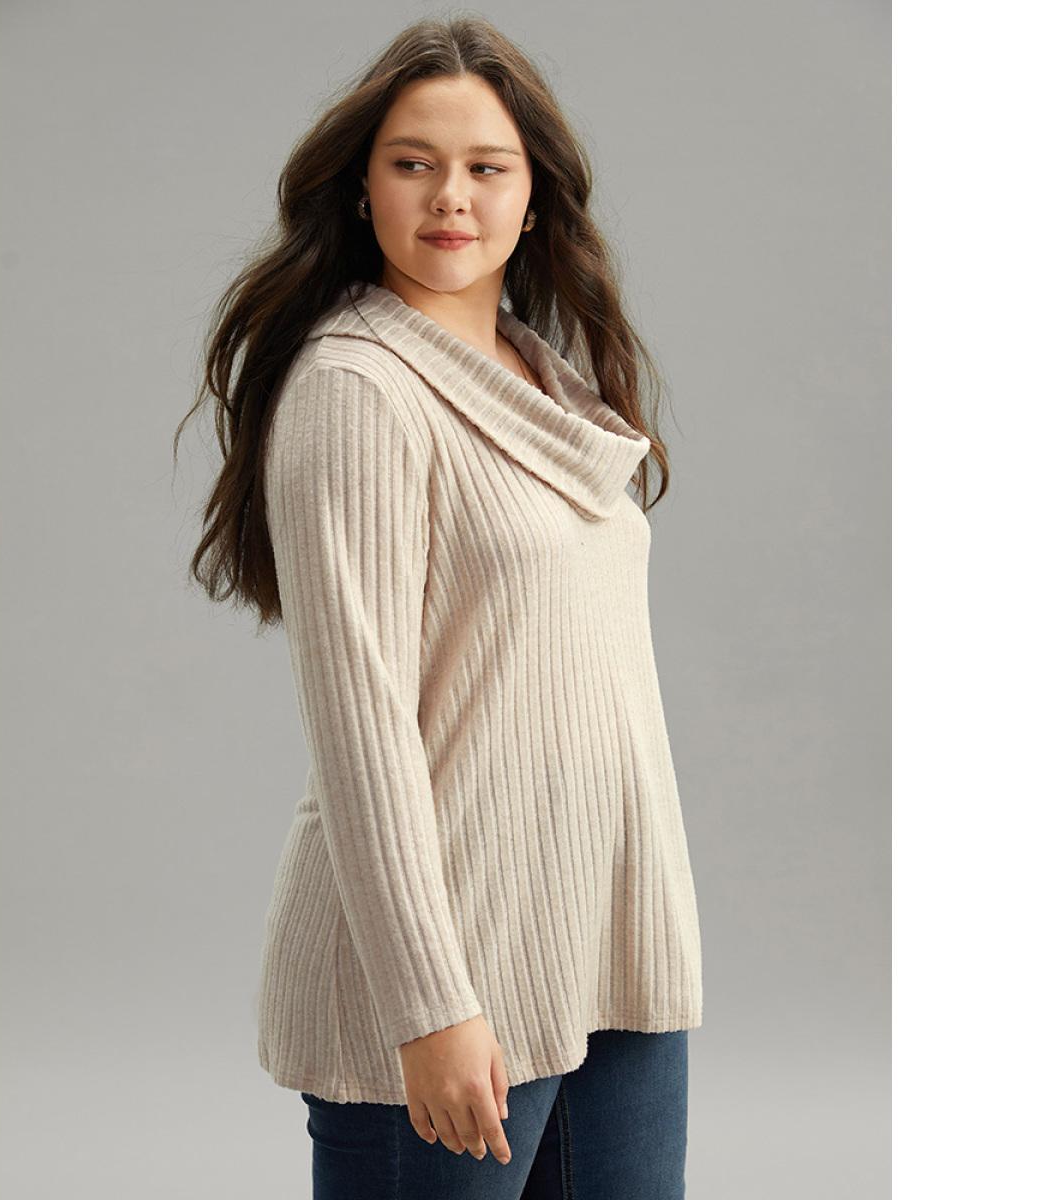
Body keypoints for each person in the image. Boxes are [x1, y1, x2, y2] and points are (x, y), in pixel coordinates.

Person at [176, 15, 704, 1198]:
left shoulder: (549, 385)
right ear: (363, 190)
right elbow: (361, 728)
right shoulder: (359, 387)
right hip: (446, 979)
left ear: (534, 198)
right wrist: (430, 1005)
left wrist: (650, 917)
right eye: (413, 162)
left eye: (486, 167)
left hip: (610, 950)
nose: (451, 196)